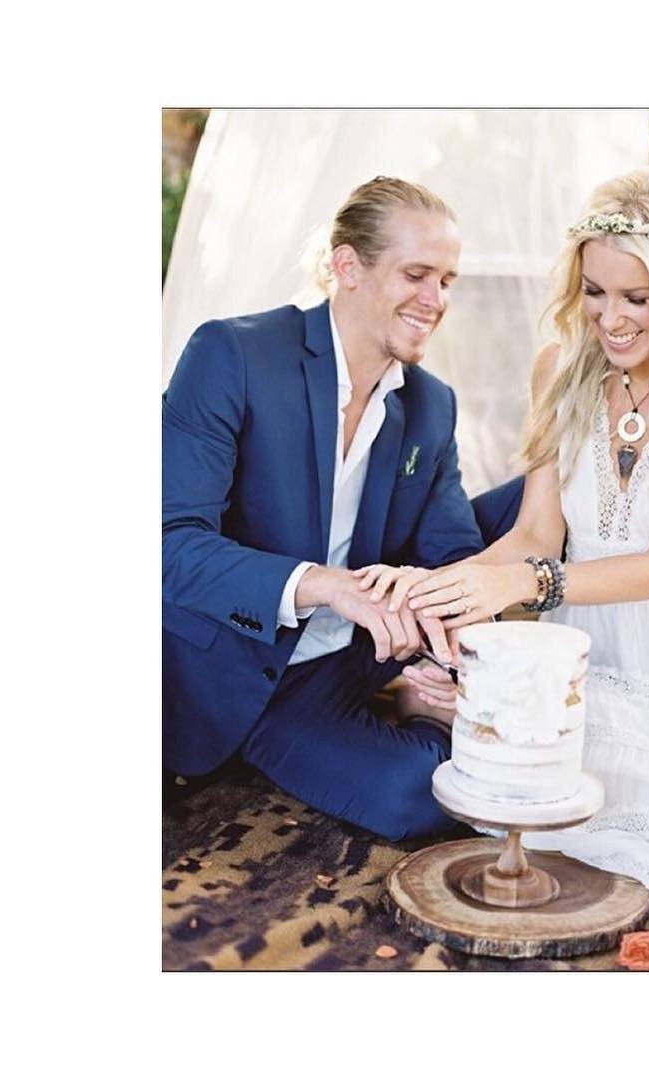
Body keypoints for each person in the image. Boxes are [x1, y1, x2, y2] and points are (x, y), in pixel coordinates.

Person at [360, 166, 649, 925]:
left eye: (636, 297)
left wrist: (524, 585)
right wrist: (426, 585)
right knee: (545, 822)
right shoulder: (559, 368)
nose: (610, 319)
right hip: (581, 661)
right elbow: (535, 535)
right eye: (595, 292)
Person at [163, 176, 478, 841]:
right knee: (426, 795)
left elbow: (454, 552)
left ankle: (424, 688)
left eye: (446, 280)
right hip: (251, 669)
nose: (436, 300)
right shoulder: (232, 355)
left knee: (532, 510)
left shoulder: (431, 404)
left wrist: (449, 641)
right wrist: (328, 586)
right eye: (416, 275)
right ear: (347, 266)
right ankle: (419, 715)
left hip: (363, 651)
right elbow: (169, 542)